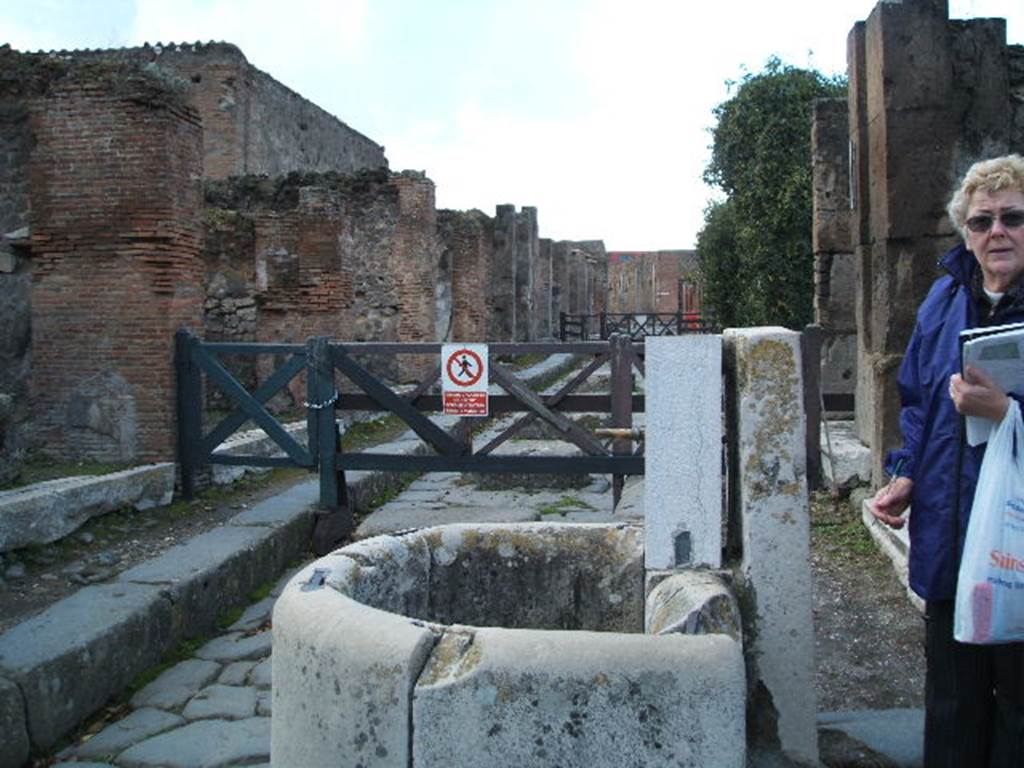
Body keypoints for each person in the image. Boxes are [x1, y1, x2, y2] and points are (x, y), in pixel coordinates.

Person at [872, 153, 1024, 766]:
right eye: (982, 220)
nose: (997, 232)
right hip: (950, 529)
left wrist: (1007, 416)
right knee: (952, 697)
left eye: (1013, 217)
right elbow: (919, 400)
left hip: (1016, 540)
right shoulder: (943, 300)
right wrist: (908, 471)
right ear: (965, 230)